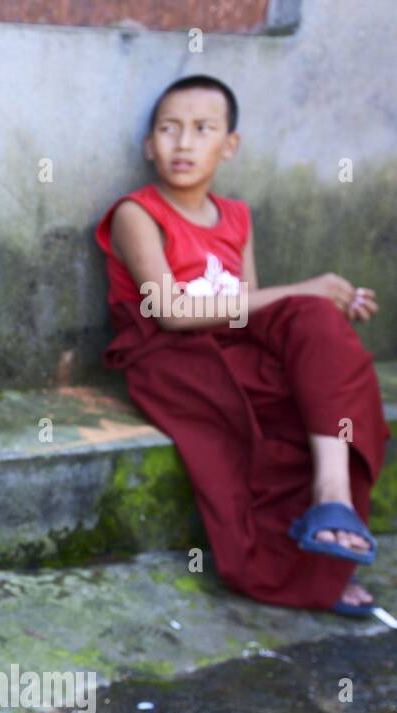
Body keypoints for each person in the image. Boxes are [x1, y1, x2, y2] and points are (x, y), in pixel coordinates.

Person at [95, 74, 388, 615]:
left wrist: (325, 305)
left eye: (202, 129)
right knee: (262, 412)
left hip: (236, 343)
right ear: (147, 145)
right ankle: (291, 575)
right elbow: (172, 312)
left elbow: (252, 303)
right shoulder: (139, 213)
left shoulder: (236, 217)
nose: (183, 143)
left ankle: (333, 501)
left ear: (229, 146)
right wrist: (305, 291)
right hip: (172, 355)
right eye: (168, 129)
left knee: (322, 339)